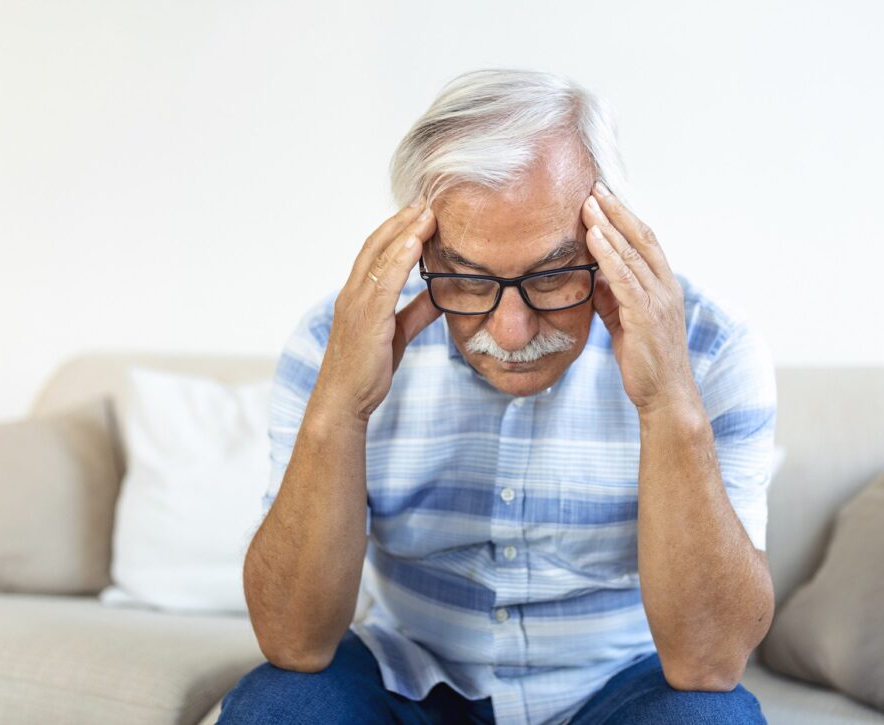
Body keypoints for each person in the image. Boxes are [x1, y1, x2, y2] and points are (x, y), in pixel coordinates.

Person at [219, 68, 776, 725]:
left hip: (620, 687)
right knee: (278, 707)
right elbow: (293, 640)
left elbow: (709, 663)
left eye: (553, 273)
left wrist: (667, 403)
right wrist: (342, 405)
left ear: (611, 240)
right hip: (409, 680)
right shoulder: (330, 343)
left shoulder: (713, 349)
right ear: (419, 246)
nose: (510, 331)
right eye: (467, 278)